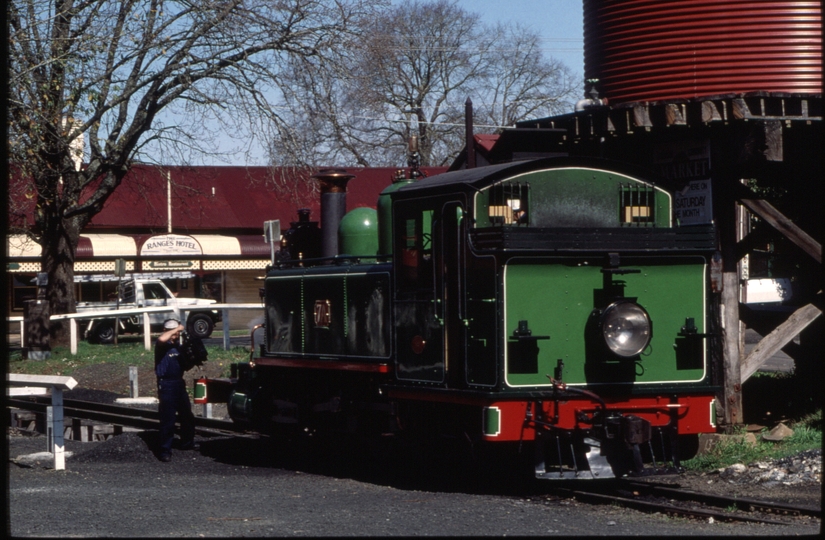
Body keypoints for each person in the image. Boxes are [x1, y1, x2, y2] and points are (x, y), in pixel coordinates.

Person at [154, 318, 198, 462]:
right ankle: (164, 450)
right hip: (166, 384)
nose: (176, 335)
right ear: (166, 331)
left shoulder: (178, 347)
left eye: (177, 333)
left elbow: (185, 366)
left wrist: (193, 360)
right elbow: (161, 338)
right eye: (173, 333)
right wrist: (177, 328)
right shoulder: (162, 345)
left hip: (179, 383)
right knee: (168, 418)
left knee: (187, 415)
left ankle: (187, 442)